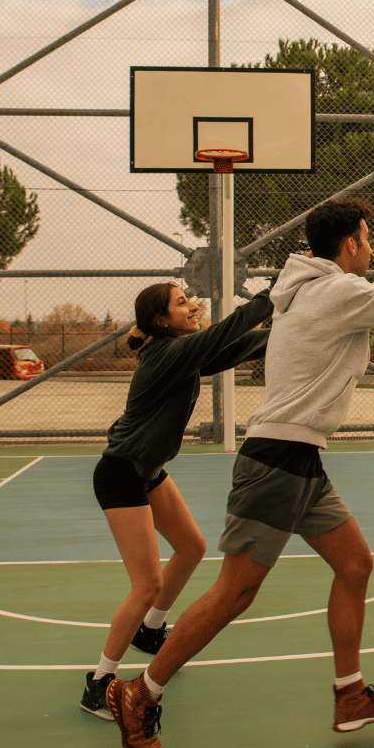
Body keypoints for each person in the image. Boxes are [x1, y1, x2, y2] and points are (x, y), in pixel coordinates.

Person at [106, 196, 374, 748]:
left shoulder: (322, 286)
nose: (370, 246)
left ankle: (351, 694)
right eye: (367, 237)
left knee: (355, 565)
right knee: (235, 592)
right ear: (350, 244)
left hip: (300, 459)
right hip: (277, 461)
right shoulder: (334, 293)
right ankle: (141, 692)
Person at [79, 283, 273, 719]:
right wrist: (272, 296)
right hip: (121, 474)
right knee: (146, 585)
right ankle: (98, 682)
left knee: (191, 548)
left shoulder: (181, 352)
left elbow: (240, 347)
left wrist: (298, 330)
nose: (193, 306)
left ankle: (150, 633)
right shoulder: (167, 354)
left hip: (146, 472)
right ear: (161, 321)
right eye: (182, 303)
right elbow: (226, 334)